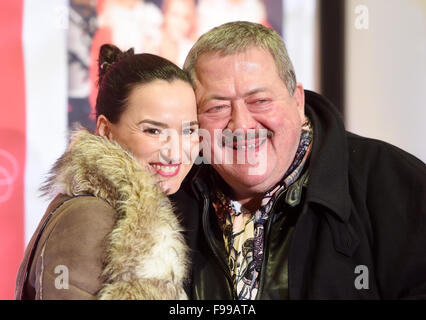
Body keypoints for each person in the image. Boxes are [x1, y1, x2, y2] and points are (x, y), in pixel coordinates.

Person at [170, 21, 426, 299]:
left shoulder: (393, 183)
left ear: (297, 101)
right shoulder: (167, 197)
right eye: (217, 107)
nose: (241, 126)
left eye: (260, 101)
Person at [15, 44, 199, 299]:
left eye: (188, 131)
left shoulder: (130, 210)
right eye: (153, 130)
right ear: (105, 130)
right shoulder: (89, 215)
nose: (176, 151)